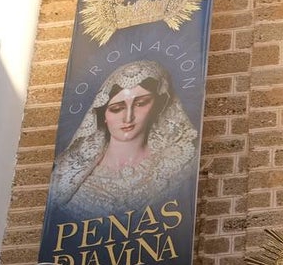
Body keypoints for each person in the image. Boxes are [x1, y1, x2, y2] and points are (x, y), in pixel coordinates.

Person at [50, 60, 198, 217]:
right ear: (103, 114)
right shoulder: (68, 182)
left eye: (141, 104)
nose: (128, 118)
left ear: (157, 106)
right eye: (116, 109)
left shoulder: (180, 165)